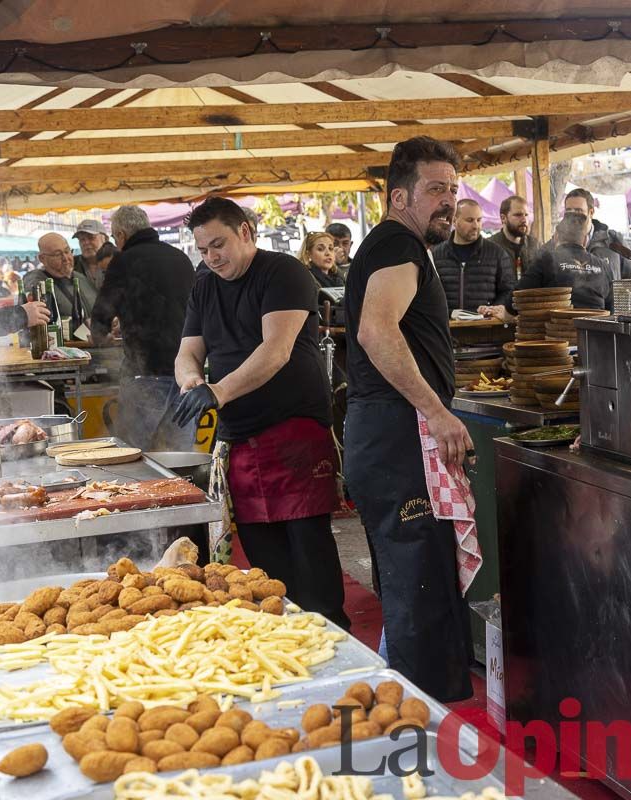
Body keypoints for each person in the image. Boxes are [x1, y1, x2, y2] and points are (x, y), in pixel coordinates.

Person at [172, 197, 349, 629]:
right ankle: (281, 633)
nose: (212, 257)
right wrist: (193, 383)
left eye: (219, 245)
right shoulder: (203, 286)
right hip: (239, 436)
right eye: (203, 249)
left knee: (309, 549)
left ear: (246, 232)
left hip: (295, 429)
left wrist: (218, 391)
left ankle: (332, 633)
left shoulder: (284, 272)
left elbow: (276, 351)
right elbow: (187, 352)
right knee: (262, 556)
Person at [343, 136, 473, 702]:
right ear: (399, 196)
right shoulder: (397, 245)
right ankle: (414, 720)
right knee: (415, 575)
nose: (447, 200)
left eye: (452, 189)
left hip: (387, 429)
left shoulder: (397, 244)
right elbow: (377, 330)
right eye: (435, 189)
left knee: (410, 573)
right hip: (397, 432)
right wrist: (436, 410)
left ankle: (401, 701)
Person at [88, 205, 197, 451]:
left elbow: (102, 312)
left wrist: (100, 334)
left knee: (131, 455)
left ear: (122, 235)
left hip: (146, 373)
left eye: (115, 238)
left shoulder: (124, 261)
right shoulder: (180, 258)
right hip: (186, 374)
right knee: (178, 457)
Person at [509, 212, 613, 312]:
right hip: (596, 328)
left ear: (556, 237)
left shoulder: (546, 260)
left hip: (557, 327)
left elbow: (516, 297)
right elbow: (611, 309)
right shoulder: (603, 266)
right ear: (585, 240)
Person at [430, 199, 514, 314]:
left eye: (479, 220)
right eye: (469, 220)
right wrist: (449, 313)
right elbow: (429, 296)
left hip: (486, 327)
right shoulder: (436, 254)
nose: (476, 226)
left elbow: (508, 290)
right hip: (447, 327)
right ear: (454, 221)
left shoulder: (497, 253)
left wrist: (492, 309)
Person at [562, 188, 631, 280]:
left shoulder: (614, 240)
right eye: (569, 210)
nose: (573, 215)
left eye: (578, 210)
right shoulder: (558, 243)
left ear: (591, 212)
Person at [23, 232, 100, 319]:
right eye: (57, 254)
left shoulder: (81, 278)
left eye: (67, 251)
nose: (66, 258)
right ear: (42, 258)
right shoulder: (38, 284)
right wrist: (82, 329)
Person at [488, 195, 541, 280]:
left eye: (526, 215)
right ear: (503, 218)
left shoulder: (534, 245)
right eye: (518, 215)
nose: (524, 220)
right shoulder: (490, 247)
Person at [73, 218, 112, 291]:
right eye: (82, 239)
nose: (86, 243)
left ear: (105, 239)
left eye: (91, 238)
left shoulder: (117, 261)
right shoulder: (72, 265)